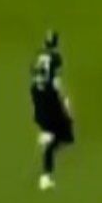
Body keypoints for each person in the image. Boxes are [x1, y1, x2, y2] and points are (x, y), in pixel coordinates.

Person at [31, 30, 74, 191]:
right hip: (49, 94)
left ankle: (45, 131)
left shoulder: (39, 55)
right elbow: (55, 83)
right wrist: (64, 101)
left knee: (47, 120)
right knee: (64, 134)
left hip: (36, 91)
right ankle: (45, 176)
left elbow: (34, 73)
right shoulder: (55, 58)